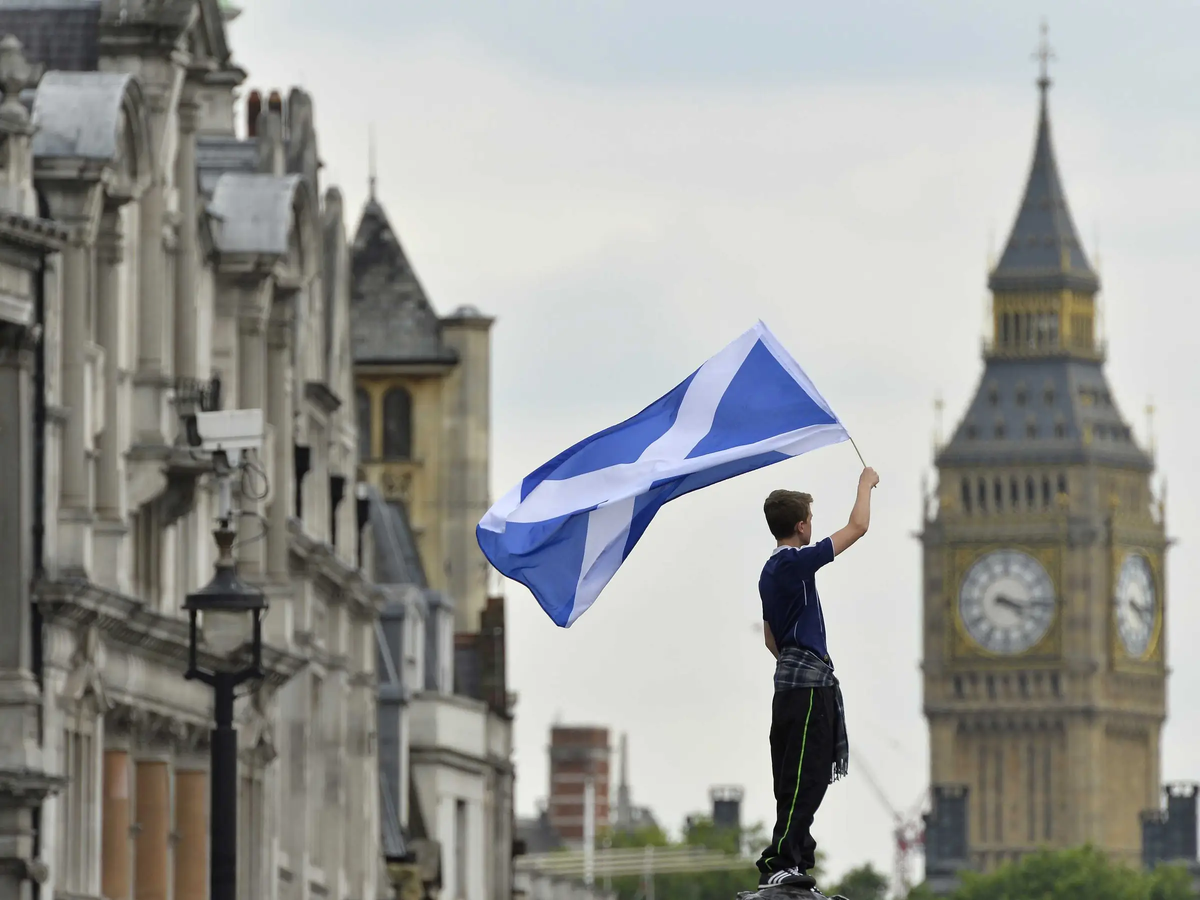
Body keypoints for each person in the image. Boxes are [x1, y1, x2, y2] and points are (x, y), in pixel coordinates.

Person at [755, 466, 879, 890]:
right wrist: (865, 483)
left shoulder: (768, 572)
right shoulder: (795, 562)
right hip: (808, 688)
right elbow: (858, 526)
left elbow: (771, 638)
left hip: (786, 685)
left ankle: (796, 857)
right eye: (810, 517)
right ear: (802, 525)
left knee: (792, 777)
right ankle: (783, 860)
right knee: (808, 776)